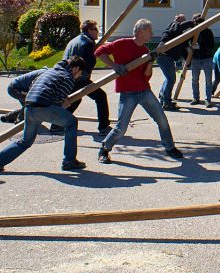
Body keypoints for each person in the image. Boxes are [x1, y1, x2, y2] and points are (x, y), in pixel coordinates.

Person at [95, 19, 184, 164]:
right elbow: (99, 51)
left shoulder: (145, 51)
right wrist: (114, 65)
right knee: (121, 127)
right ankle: (104, 149)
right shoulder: (122, 44)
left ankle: (170, 147)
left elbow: (146, 76)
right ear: (141, 32)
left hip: (144, 91)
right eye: (150, 31)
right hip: (128, 93)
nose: (152, 34)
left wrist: (150, 63)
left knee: (162, 119)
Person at [0, 57, 88, 173]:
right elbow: (57, 102)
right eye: (79, 74)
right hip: (44, 107)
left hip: (29, 106)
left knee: (25, 141)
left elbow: (34, 85)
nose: (78, 77)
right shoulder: (68, 77)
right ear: (76, 68)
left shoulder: (50, 71)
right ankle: (69, 161)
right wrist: (64, 103)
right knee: (72, 122)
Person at [64, 20, 111, 134]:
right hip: (79, 77)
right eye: (95, 29)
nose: (97, 32)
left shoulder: (74, 40)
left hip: (68, 76)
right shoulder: (88, 43)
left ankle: (57, 124)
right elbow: (89, 63)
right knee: (100, 96)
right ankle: (104, 127)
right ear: (89, 30)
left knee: (74, 100)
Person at [157, 14, 193, 110]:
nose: (184, 23)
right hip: (164, 56)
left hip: (167, 58)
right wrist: (193, 22)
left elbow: (184, 48)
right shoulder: (173, 26)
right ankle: (167, 102)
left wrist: (188, 61)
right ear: (177, 19)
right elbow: (178, 27)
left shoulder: (180, 35)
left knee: (168, 79)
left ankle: (163, 98)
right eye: (183, 20)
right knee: (171, 80)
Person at [188, 15, 216, 106]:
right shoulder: (193, 32)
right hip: (195, 58)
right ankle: (196, 98)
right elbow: (188, 42)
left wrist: (200, 47)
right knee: (194, 79)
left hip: (206, 58)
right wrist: (190, 47)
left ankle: (208, 100)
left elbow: (211, 45)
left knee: (208, 80)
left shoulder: (208, 32)